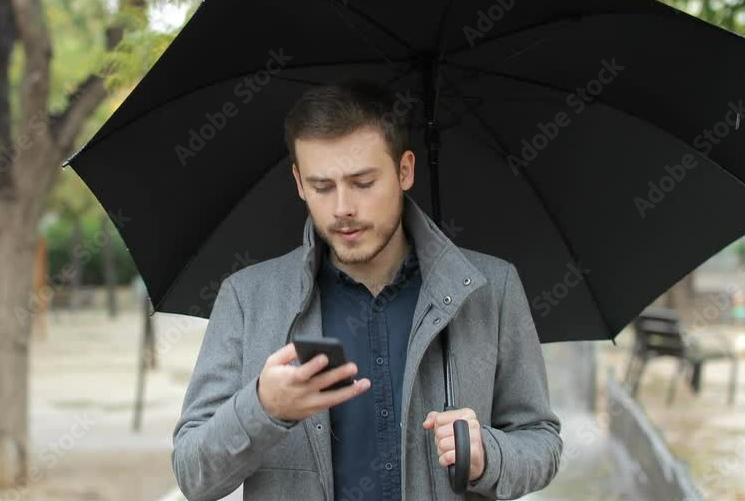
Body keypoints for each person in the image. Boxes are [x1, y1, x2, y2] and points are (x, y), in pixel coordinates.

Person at [172, 78, 562, 500]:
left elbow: (540, 441)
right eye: (322, 187)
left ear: (405, 170)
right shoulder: (247, 299)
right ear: (300, 183)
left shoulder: (491, 289)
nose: (343, 208)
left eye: (363, 183)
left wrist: (491, 455)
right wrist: (263, 408)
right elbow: (194, 475)